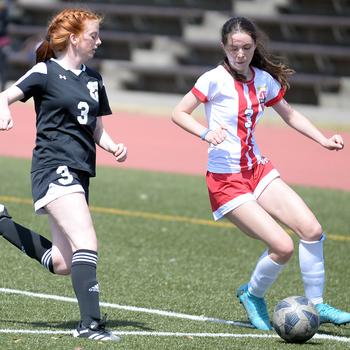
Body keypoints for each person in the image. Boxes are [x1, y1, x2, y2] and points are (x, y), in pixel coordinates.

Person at [172, 16, 350, 331]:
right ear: (223, 47)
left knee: (310, 229)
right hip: (226, 180)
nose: (239, 54)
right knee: (282, 246)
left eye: (246, 48)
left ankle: (318, 304)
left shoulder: (264, 80)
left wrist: (323, 139)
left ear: (255, 46)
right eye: (233, 48)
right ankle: (253, 296)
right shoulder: (212, 79)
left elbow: (290, 114)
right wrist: (205, 133)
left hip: (258, 169)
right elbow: (179, 113)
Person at [0, 8, 127, 341]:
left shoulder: (93, 79)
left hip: (80, 173)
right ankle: (90, 325)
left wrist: (113, 146)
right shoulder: (45, 71)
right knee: (88, 242)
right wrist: (4, 112)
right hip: (54, 168)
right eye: (93, 35)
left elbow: (96, 127)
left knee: (62, 263)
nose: (99, 41)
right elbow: (5, 96)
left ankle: (1, 222)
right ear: (73, 38)